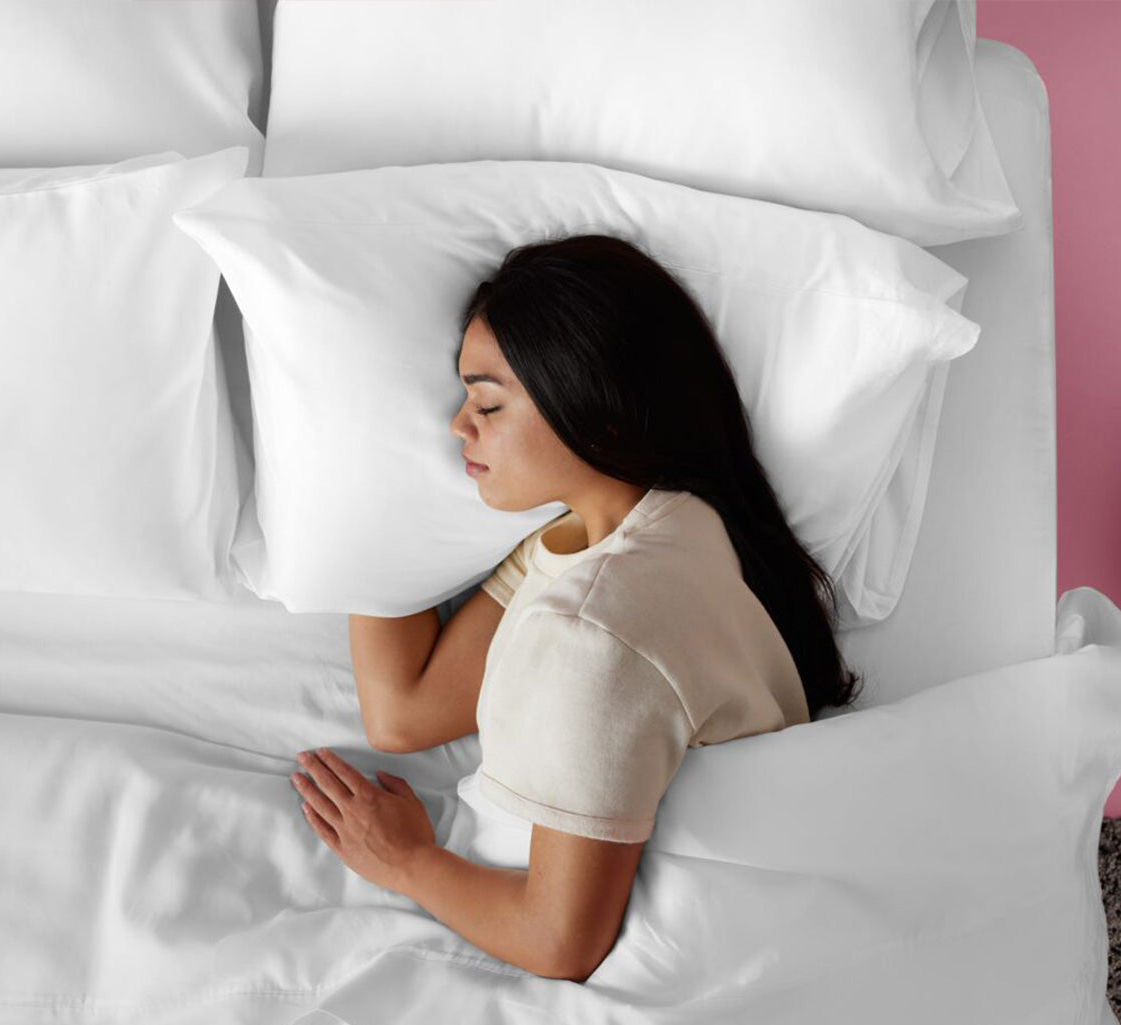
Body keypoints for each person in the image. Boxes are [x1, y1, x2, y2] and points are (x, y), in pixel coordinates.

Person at [294, 233, 863, 984]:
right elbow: (406, 710)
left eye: (489, 403)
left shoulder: (595, 631)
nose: (458, 426)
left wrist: (407, 861)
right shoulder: (646, 524)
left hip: (676, 965)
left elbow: (562, 942)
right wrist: (374, 480)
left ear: (596, 409)